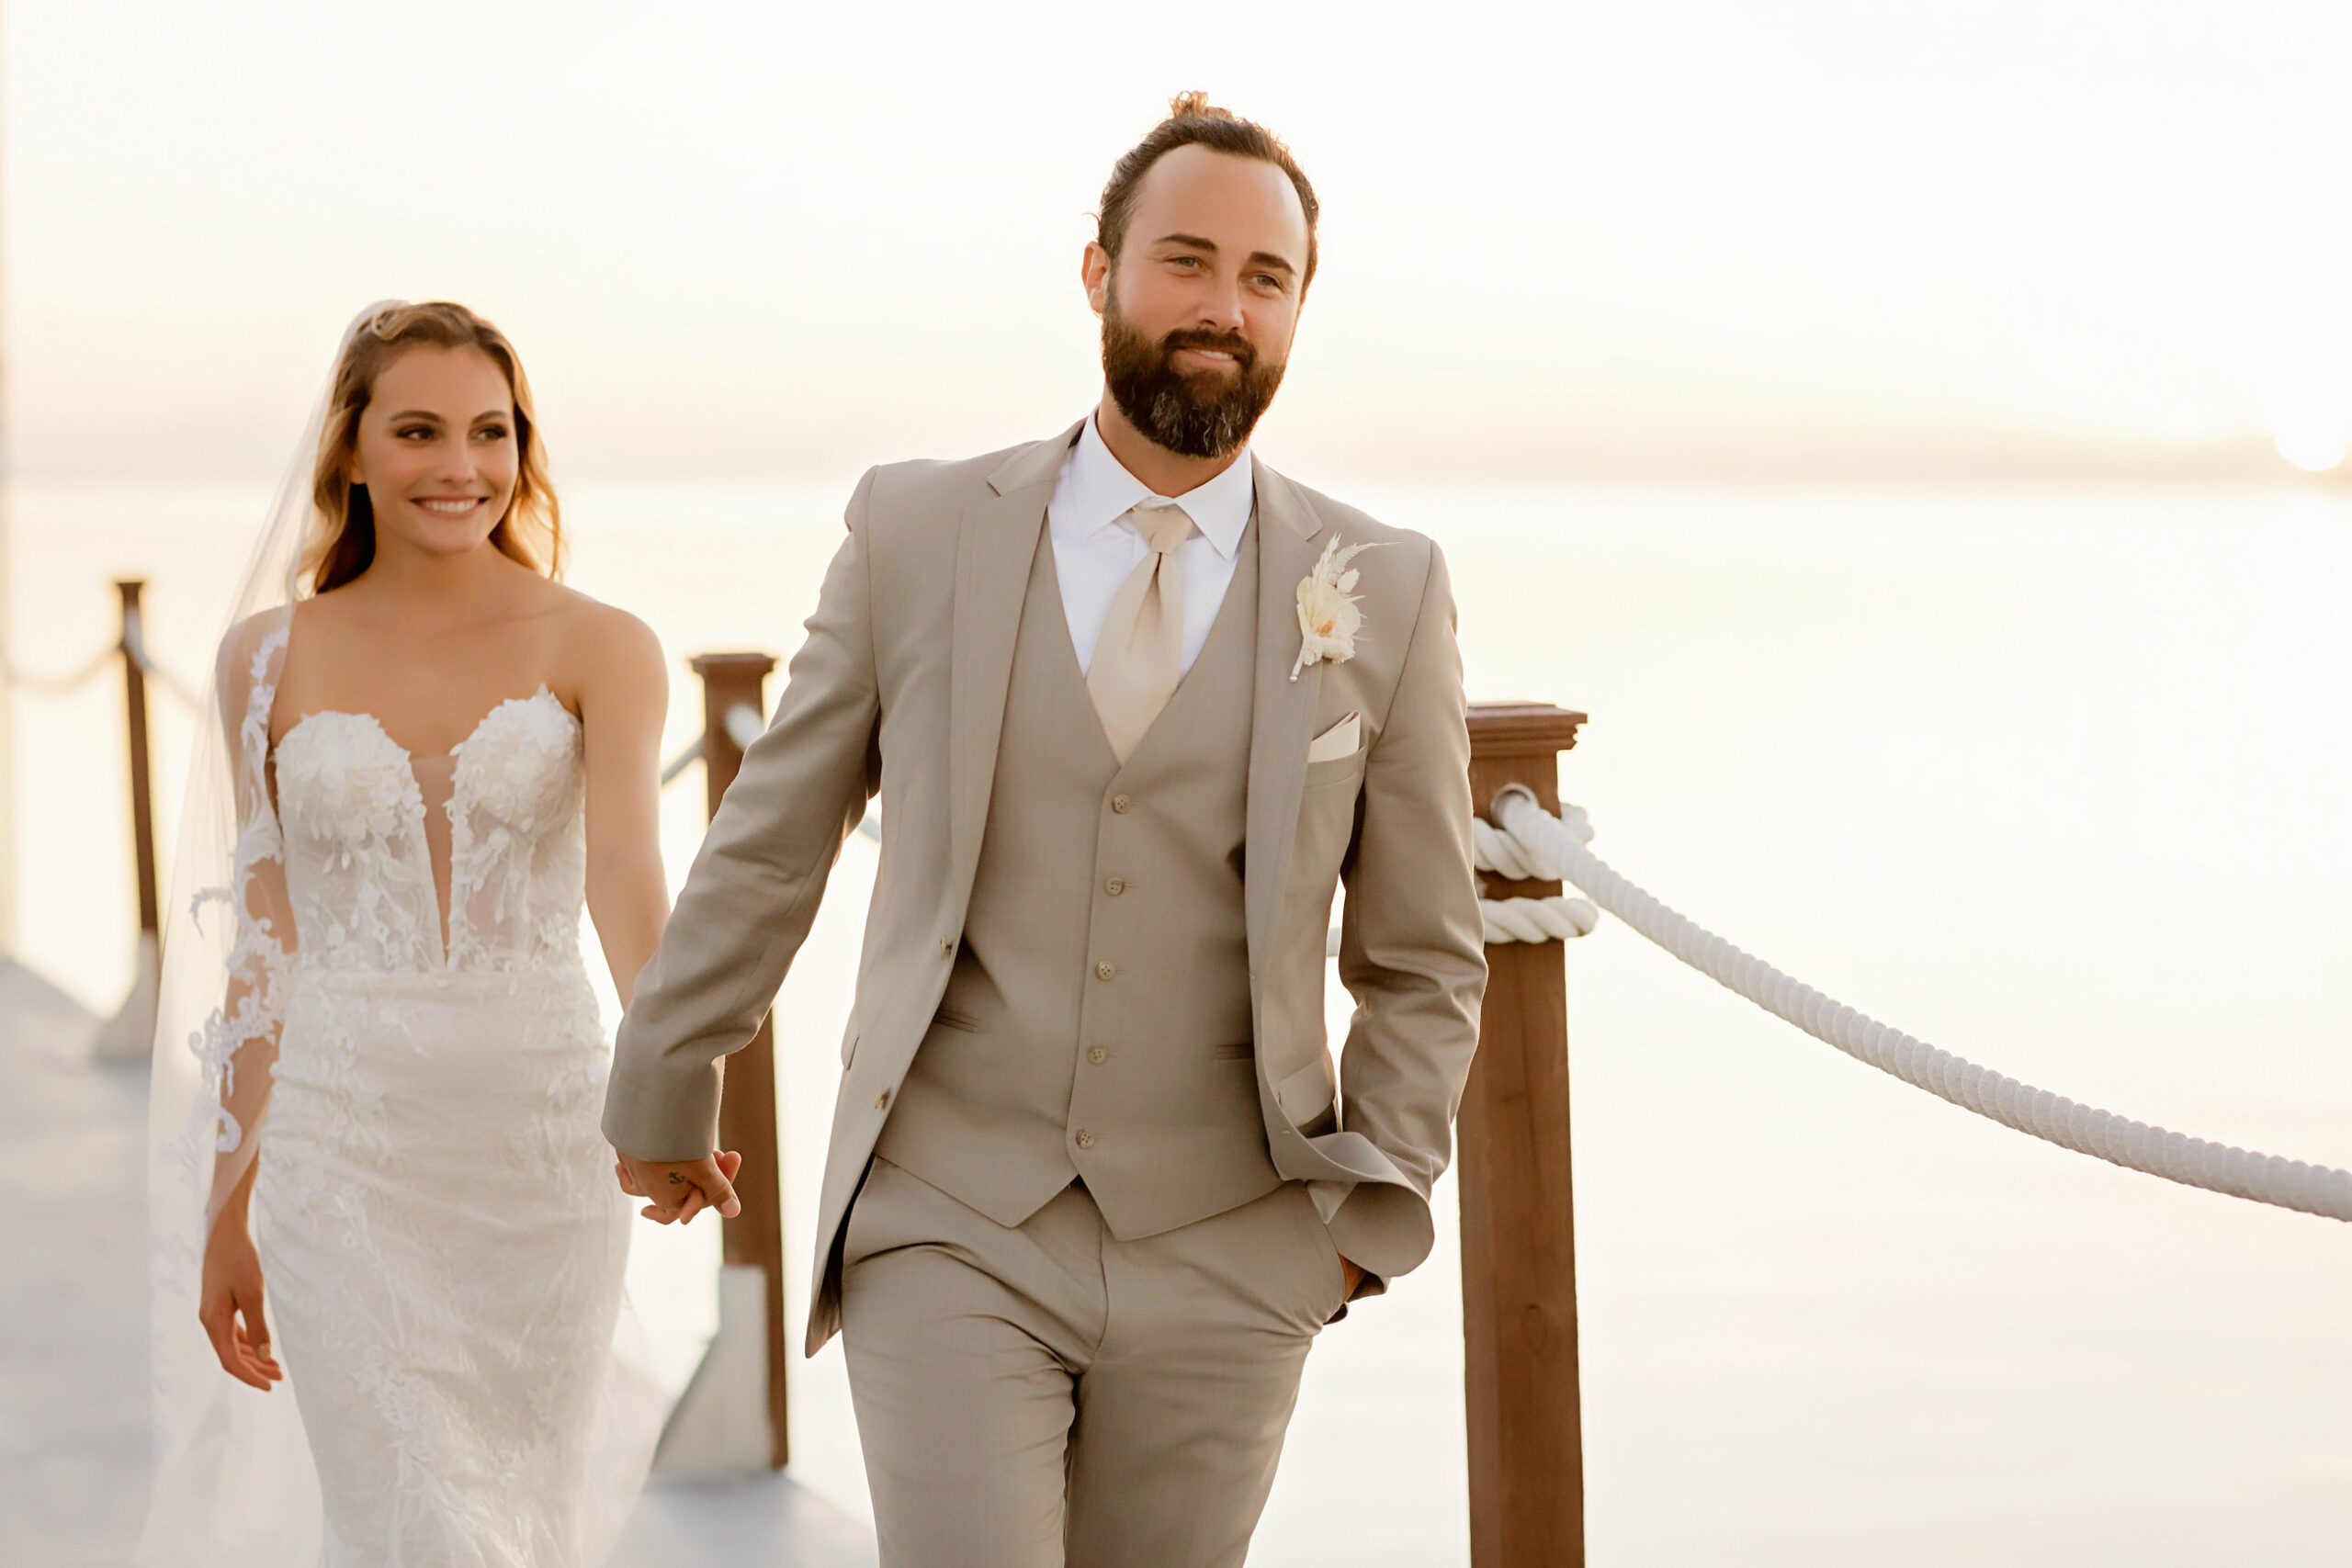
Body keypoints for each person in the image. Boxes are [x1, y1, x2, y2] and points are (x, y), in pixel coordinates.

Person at [605, 93, 1487, 1566]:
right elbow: (772, 839)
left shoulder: (1382, 584)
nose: (1223, 308)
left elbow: (1424, 953)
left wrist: (1352, 1230)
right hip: (950, 1212)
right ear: (1099, 273)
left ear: (1300, 309)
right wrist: (662, 1076)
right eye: (1185, 261)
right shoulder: (919, 530)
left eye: (1266, 278)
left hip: (1237, 1243)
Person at [141, 301, 678, 1568]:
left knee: (518, 1527)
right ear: (352, 452)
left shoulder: (603, 644)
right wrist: (231, 1202)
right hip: (345, 1163)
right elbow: (264, 940)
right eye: (421, 430)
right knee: (413, 1527)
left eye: (491, 433)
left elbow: (626, 879)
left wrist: (675, 1094)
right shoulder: (263, 662)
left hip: (538, 1163)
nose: (461, 468)